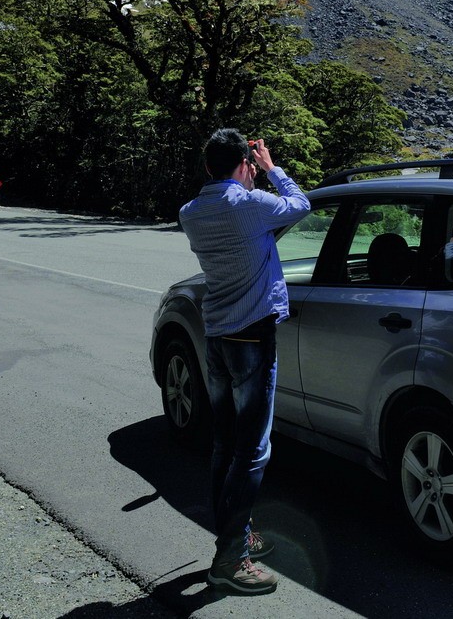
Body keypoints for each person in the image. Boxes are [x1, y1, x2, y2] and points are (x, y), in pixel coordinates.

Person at [178, 128, 309, 596]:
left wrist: (248, 172)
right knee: (253, 451)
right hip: (253, 337)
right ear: (243, 164)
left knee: (225, 443)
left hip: (217, 337)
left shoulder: (190, 213)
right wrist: (271, 167)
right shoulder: (249, 204)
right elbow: (301, 206)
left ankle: (237, 533)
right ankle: (230, 558)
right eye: (250, 164)